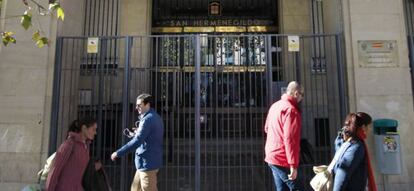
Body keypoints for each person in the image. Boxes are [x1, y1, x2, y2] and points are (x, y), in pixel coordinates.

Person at [111, 93, 164, 191]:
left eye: (139, 105)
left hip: (147, 164)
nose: (136, 107)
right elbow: (149, 137)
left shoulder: (148, 119)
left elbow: (137, 141)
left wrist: (118, 153)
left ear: (147, 104)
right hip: (147, 163)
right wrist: (137, 132)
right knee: (135, 189)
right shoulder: (155, 117)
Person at [264, 81, 304, 191]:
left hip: (271, 155)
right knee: (298, 188)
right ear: (296, 93)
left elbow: (267, 128)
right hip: (282, 158)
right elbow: (290, 139)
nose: (302, 98)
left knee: (282, 189)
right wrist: (293, 165)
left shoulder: (275, 106)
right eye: (302, 94)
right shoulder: (291, 110)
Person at [46, 117, 97, 191]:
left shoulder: (86, 147)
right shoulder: (69, 144)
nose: (95, 132)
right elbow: (55, 170)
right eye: (93, 129)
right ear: (84, 128)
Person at [331, 112, 377, 191]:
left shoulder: (347, 142)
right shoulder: (356, 147)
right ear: (363, 127)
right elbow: (341, 173)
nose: (369, 130)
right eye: (368, 127)